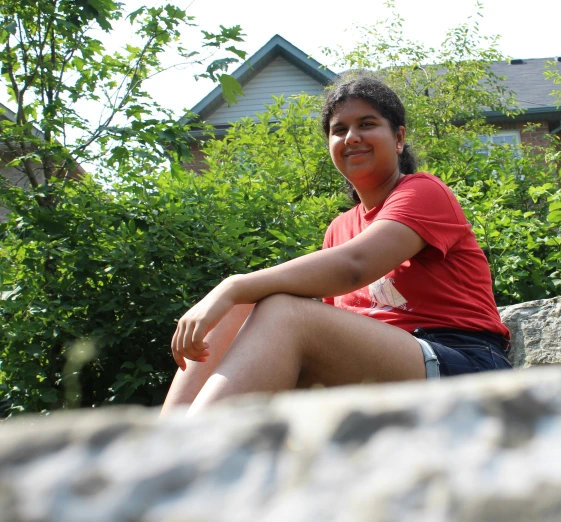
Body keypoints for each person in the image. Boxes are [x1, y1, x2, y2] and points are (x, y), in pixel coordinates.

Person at [160, 74, 511, 417]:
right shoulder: (340, 228)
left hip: (461, 362)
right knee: (240, 309)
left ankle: (193, 452)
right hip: (378, 372)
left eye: (367, 124)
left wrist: (232, 285)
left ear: (399, 138)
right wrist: (237, 300)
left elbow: (355, 265)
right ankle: (161, 446)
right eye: (339, 130)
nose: (352, 137)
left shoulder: (423, 192)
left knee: (279, 310)